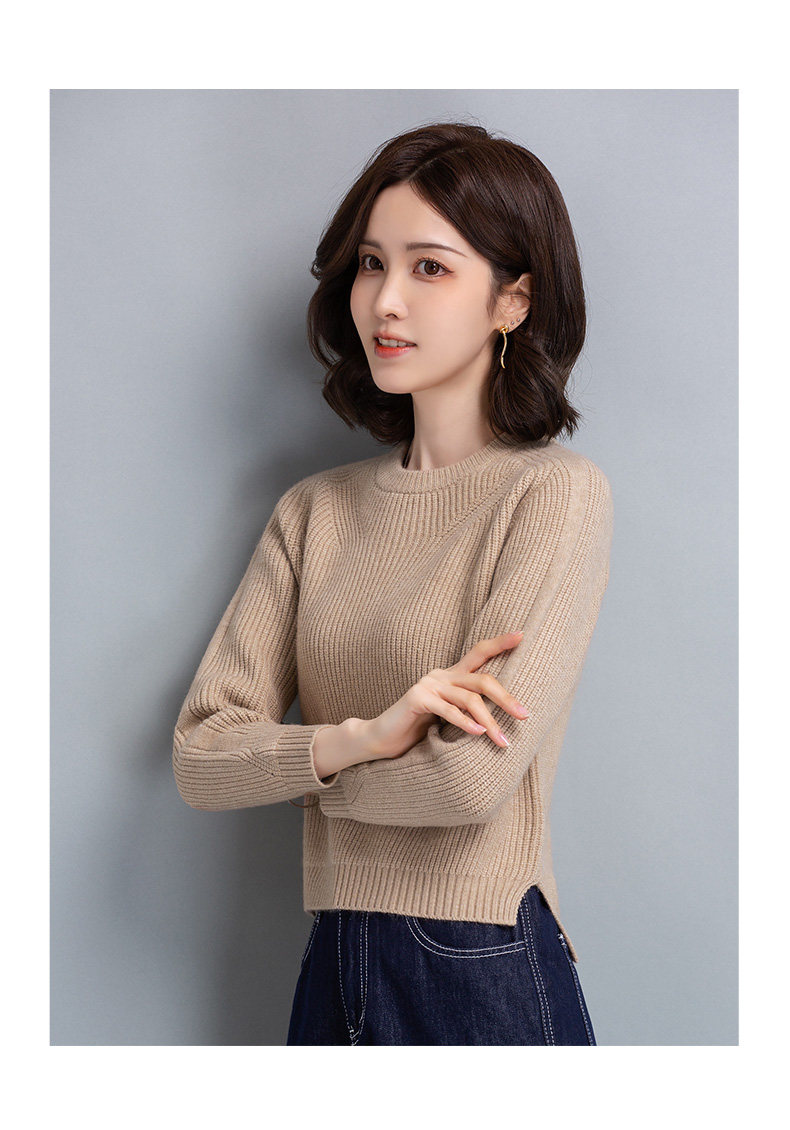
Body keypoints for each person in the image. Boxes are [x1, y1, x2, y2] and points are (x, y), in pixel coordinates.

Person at [172, 121, 613, 1045]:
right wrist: (365, 738)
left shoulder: (552, 495)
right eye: (372, 264)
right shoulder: (314, 511)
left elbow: (465, 782)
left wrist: (310, 780)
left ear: (514, 300)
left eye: (430, 267)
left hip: (481, 957)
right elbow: (202, 756)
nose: (386, 301)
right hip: (333, 958)